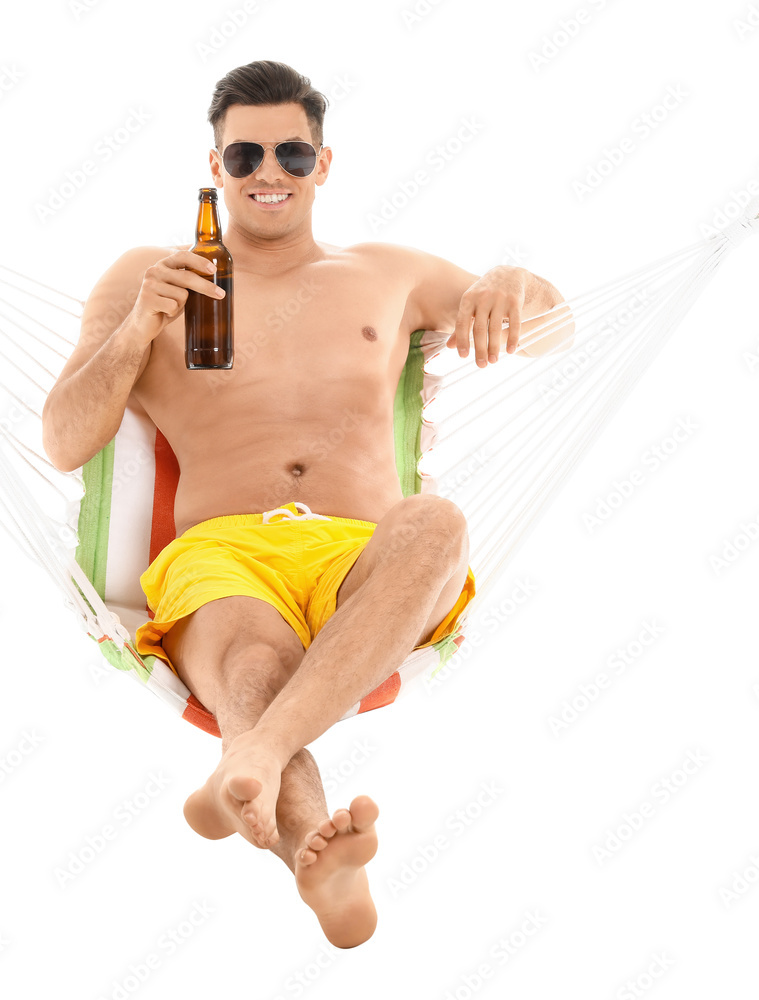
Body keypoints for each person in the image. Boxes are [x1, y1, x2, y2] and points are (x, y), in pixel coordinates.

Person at [42, 59, 569, 949]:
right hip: (221, 555)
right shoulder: (147, 275)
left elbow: (551, 330)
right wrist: (139, 325)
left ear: (324, 164)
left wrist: (516, 283)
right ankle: (317, 866)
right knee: (251, 668)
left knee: (436, 524)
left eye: (291, 150)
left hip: (363, 556)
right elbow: (63, 438)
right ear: (215, 168)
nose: (268, 171)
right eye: (244, 154)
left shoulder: (390, 272)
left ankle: (248, 757)